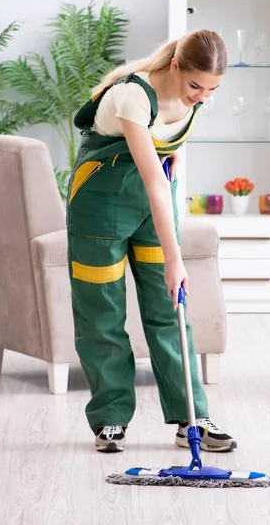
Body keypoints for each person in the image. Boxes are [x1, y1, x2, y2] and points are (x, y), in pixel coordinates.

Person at [66, 29, 236, 453]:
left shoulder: (193, 96)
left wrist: (174, 150)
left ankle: (191, 419)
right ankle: (110, 418)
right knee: (102, 313)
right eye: (196, 85)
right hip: (99, 205)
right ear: (175, 66)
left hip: (151, 204)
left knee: (170, 308)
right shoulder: (132, 96)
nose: (201, 96)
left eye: (212, 89)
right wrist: (176, 259)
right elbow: (152, 180)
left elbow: (165, 150)